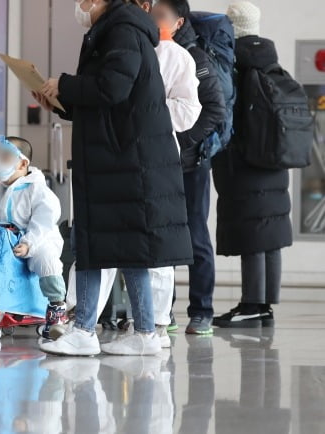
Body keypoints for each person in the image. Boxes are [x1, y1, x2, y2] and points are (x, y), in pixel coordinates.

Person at [33, 0, 193, 357]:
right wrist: (61, 100)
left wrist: (65, 85)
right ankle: (146, 332)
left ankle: (85, 328)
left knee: (95, 240)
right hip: (121, 156)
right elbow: (108, 96)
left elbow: (111, 88)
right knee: (127, 246)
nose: (82, 3)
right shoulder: (120, 29)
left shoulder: (121, 30)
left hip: (120, 157)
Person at [212, 1, 292, 328]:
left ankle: (251, 305)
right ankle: (265, 305)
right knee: (270, 233)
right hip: (275, 160)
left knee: (252, 234)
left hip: (246, 162)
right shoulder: (271, 63)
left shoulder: (235, 63)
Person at [153, 0, 226, 335]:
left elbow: (214, 110)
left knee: (195, 235)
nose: (153, 20)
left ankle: (202, 311)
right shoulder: (155, 52)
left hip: (191, 161)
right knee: (163, 236)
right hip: (163, 161)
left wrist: (182, 143)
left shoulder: (195, 58)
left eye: (160, 16)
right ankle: (163, 310)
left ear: (179, 22)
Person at [0, 136, 68, 338]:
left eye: (4, 157)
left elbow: (45, 222)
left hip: (37, 242)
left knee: (46, 260)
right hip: (4, 241)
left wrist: (29, 244)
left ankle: (57, 305)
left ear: (22, 163)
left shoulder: (37, 189)